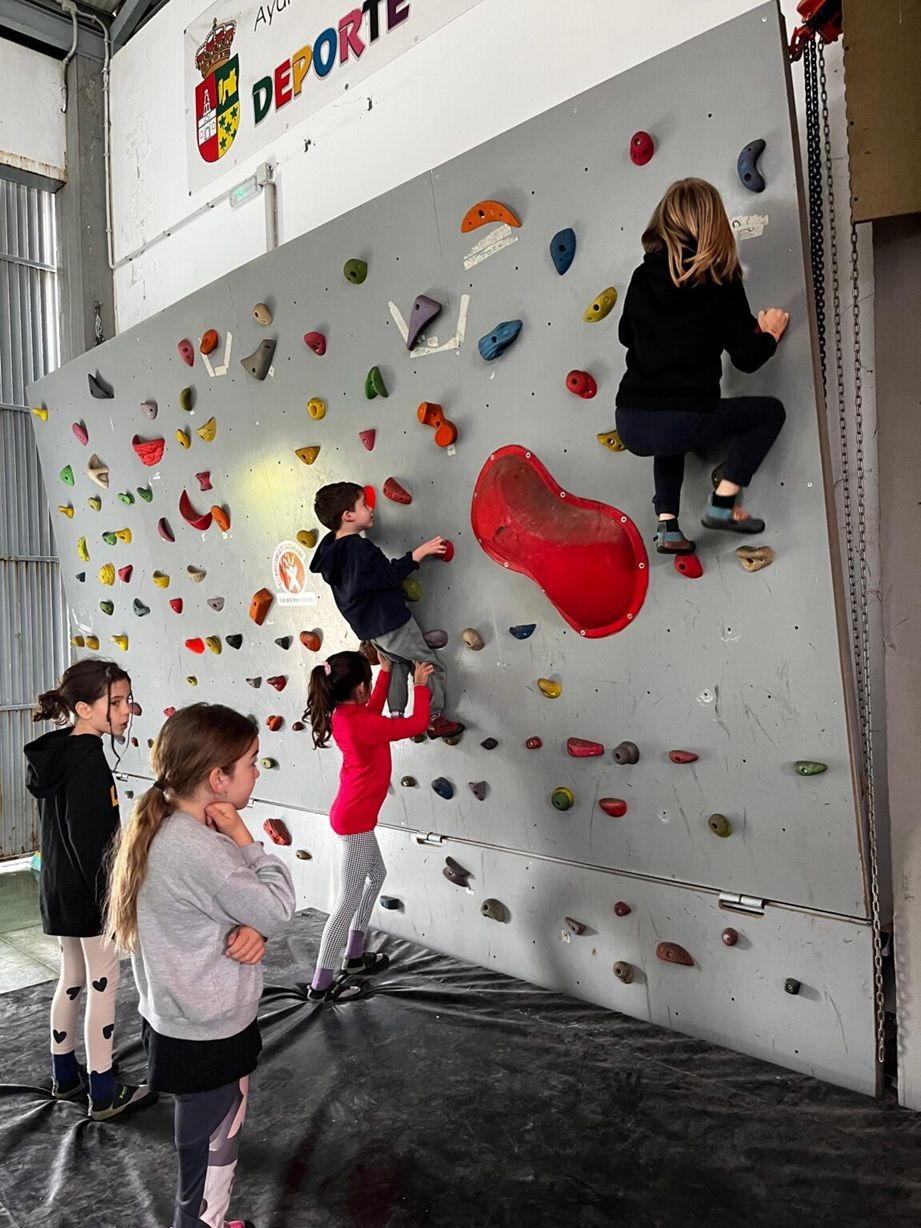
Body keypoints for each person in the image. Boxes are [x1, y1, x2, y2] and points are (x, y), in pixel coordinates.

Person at [106, 704, 296, 1228]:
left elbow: (244, 912)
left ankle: (203, 1220)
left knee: (211, 1130)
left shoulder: (165, 822)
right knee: (213, 1134)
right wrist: (244, 837)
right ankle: (199, 1224)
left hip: (178, 1018)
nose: (257, 772)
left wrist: (252, 929)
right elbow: (278, 905)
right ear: (218, 778)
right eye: (252, 761)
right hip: (207, 1029)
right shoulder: (202, 848)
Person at [614, 177, 789, 554]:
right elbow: (746, 358)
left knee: (667, 435)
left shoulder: (642, 277)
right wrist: (770, 333)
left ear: (664, 220)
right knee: (770, 413)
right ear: (714, 225)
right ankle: (723, 505)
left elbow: (626, 335)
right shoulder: (719, 280)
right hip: (681, 419)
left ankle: (667, 525)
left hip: (629, 421)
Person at [24, 657, 155, 1121]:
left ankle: (66, 1074)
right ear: (83, 707)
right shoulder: (87, 761)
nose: (125, 711)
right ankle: (103, 1088)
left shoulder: (61, 752)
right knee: (104, 982)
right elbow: (92, 843)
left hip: (59, 889)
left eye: (126, 700)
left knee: (73, 979)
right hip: (87, 894)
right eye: (114, 702)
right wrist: (113, 905)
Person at [303, 651, 433, 1002]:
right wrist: (420, 686)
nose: (372, 690)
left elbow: (372, 710)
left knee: (377, 875)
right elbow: (416, 724)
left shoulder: (348, 714)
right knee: (346, 901)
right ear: (361, 688)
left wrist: (389, 671)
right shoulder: (361, 721)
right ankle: (321, 983)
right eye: (371, 684)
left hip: (353, 815)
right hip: (356, 822)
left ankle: (355, 956)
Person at [310, 481, 464, 738]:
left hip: (371, 630)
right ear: (348, 516)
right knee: (429, 665)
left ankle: (396, 715)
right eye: (363, 505)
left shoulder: (331, 551)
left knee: (399, 666)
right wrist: (419, 553)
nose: (371, 508)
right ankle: (433, 717)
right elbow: (389, 575)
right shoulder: (359, 548)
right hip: (392, 623)